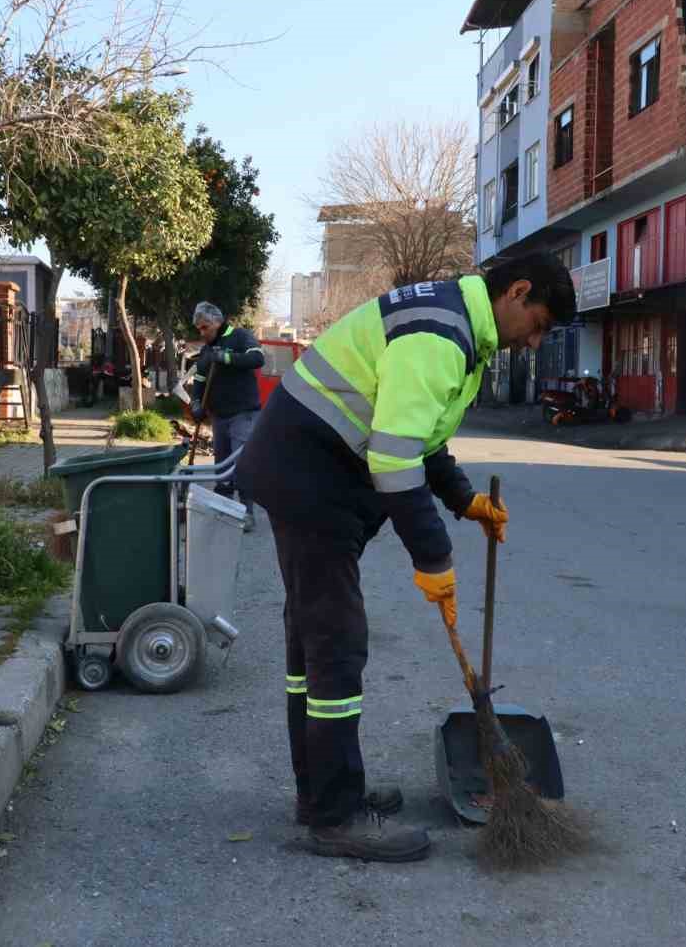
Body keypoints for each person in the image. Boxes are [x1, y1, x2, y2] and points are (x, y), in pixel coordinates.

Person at [237, 253, 576, 863]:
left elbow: (422, 439)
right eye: (540, 323)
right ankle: (335, 817)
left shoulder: (455, 328)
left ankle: (322, 793)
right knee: (335, 647)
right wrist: (433, 556)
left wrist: (463, 499)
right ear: (517, 292)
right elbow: (393, 460)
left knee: (313, 647)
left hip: (305, 472)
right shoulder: (440, 336)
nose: (535, 341)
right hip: (310, 480)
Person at [190, 302, 265, 522]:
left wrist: (226, 357)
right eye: (199, 329)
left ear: (216, 322)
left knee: (241, 462)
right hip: (219, 415)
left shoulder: (240, 336)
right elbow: (200, 379)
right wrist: (196, 403)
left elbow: (257, 358)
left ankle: (246, 511)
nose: (202, 333)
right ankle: (222, 508)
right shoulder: (206, 350)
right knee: (221, 463)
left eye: (205, 328)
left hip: (243, 413)